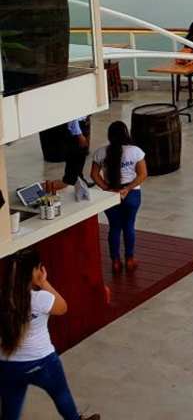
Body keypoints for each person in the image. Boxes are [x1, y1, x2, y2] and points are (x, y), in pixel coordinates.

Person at [0, 248, 100, 420]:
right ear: (34, 272)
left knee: (10, 412)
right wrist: (44, 282)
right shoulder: (41, 299)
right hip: (42, 361)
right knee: (61, 395)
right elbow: (63, 307)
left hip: (7, 363)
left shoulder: (2, 297)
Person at [89, 121, 147, 275]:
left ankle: (115, 261)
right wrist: (127, 188)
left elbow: (94, 175)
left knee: (114, 227)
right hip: (131, 193)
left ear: (110, 135)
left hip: (110, 193)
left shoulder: (100, 153)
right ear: (125, 133)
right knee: (129, 226)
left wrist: (107, 189)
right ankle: (129, 259)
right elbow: (143, 174)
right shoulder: (135, 151)